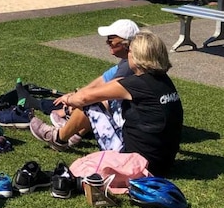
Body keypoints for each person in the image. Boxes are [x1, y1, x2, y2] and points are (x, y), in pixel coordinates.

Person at [39, 31, 183, 176]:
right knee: (109, 102)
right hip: (163, 162)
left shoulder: (136, 84)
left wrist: (68, 99)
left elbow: (83, 98)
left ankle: (58, 138)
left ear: (138, 57)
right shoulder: (164, 81)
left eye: (130, 52)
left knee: (91, 103)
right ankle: (68, 135)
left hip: (137, 162)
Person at [30, 19, 139, 151]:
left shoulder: (129, 66)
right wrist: (77, 94)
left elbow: (102, 94)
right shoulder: (126, 62)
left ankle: (59, 138)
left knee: (93, 102)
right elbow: (102, 80)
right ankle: (74, 132)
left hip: (125, 142)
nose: (107, 43)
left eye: (111, 39)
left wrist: (71, 102)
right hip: (138, 137)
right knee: (91, 99)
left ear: (126, 43)